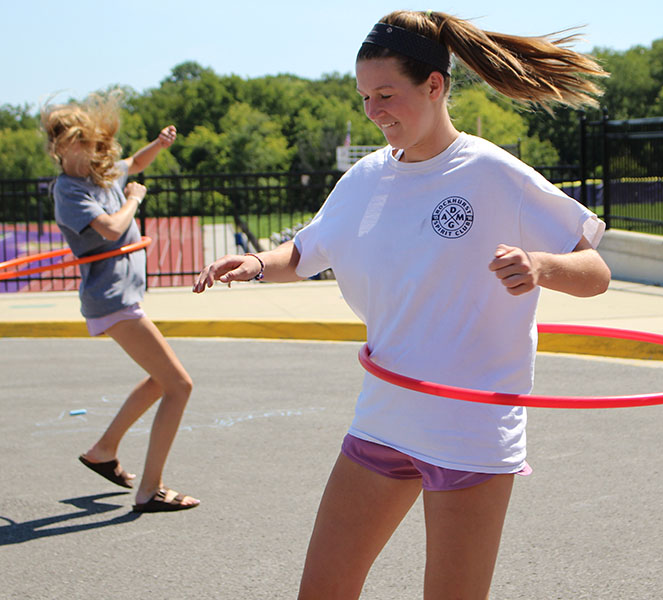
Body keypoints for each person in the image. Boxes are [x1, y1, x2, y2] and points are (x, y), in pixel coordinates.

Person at [193, 9, 610, 597]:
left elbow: (595, 272)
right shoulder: (366, 179)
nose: (374, 112)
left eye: (386, 94)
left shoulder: (493, 173)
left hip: (471, 429)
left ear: (434, 86)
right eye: (365, 97)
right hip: (386, 415)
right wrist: (257, 265)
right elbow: (307, 252)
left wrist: (541, 266)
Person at [42, 92, 199, 513]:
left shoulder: (102, 175)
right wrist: (134, 198)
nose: (95, 150)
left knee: (158, 380)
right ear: (61, 147)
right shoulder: (70, 190)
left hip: (124, 296)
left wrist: (159, 145)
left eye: (96, 143)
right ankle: (150, 490)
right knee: (179, 386)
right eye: (85, 142)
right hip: (110, 299)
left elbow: (136, 164)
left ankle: (103, 451)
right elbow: (111, 229)